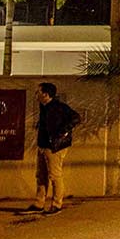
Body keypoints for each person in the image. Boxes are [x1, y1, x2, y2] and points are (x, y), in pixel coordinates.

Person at [31, 82, 80, 215]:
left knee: (54, 175)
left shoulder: (58, 107)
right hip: (43, 145)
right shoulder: (43, 106)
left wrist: (62, 132)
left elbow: (76, 118)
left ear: (46, 94)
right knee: (41, 175)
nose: (36, 94)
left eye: (38, 92)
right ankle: (39, 202)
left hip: (54, 146)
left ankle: (56, 204)